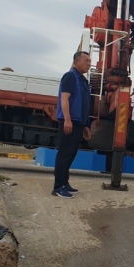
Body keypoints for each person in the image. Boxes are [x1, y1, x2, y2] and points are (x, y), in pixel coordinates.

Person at [52, 51, 92, 198]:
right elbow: (64, 99)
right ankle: (58, 187)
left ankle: (65, 183)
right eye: (86, 60)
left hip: (79, 122)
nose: (89, 63)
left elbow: (83, 104)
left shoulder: (82, 80)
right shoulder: (70, 77)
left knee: (71, 153)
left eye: (89, 60)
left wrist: (85, 125)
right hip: (70, 121)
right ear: (76, 62)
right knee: (64, 153)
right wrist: (67, 119)